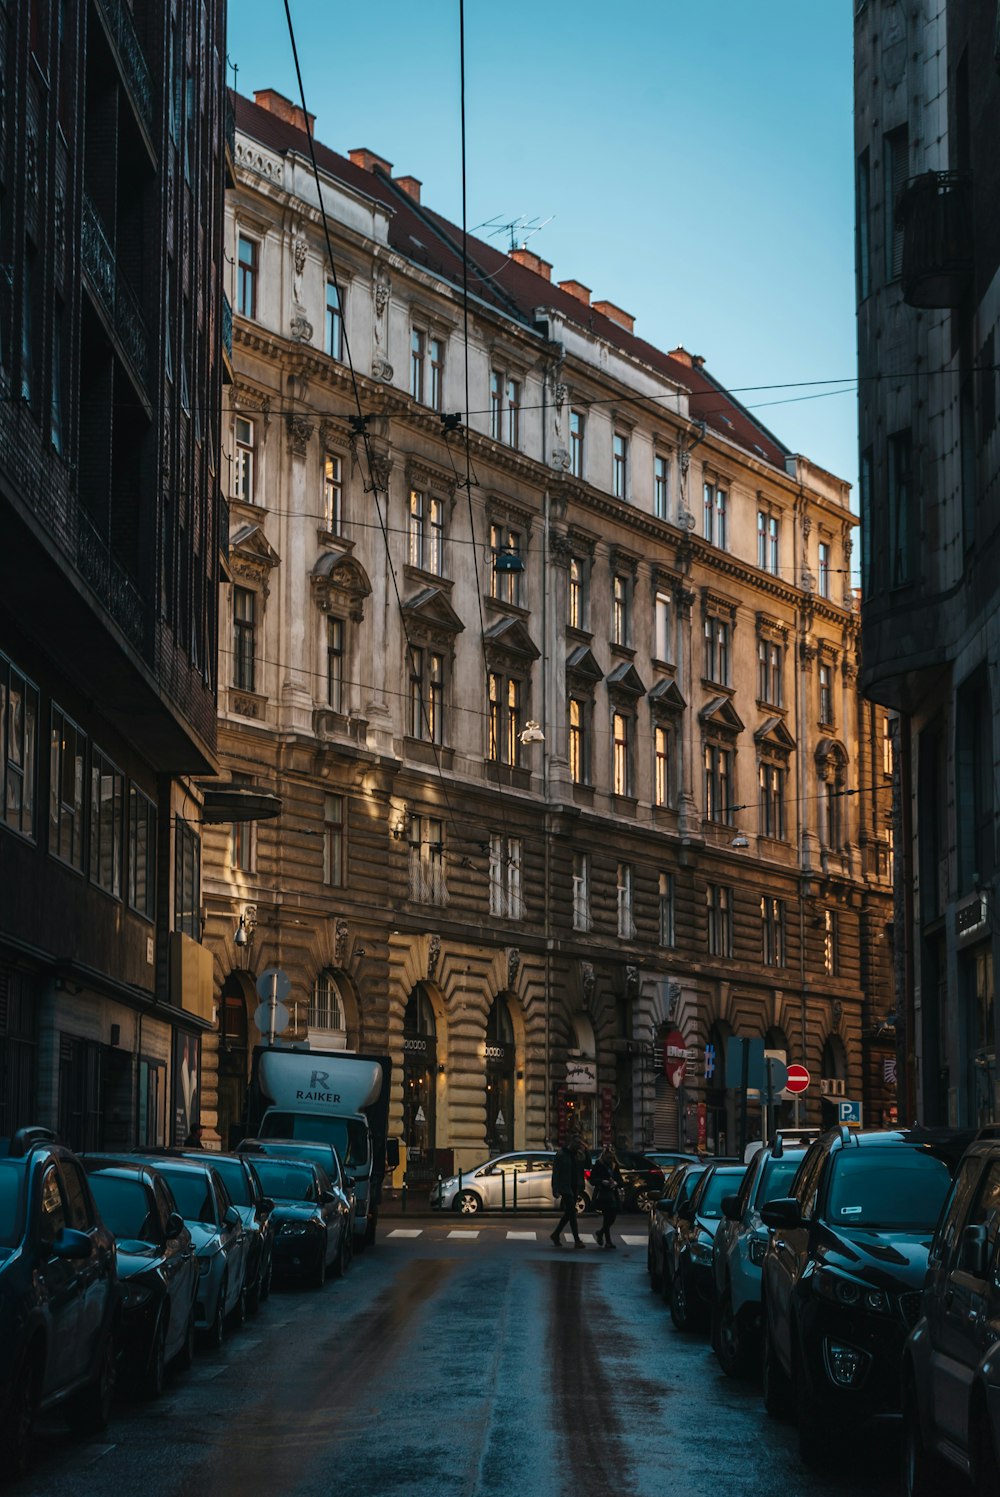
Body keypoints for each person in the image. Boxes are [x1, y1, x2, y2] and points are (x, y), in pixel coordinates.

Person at [550, 1134, 587, 1248]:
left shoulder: (578, 1155)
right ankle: (576, 1240)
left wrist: (585, 1152)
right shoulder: (561, 1154)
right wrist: (555, 1189)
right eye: (577, 1144)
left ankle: (556, 1234)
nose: (578, 1146)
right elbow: (555, 1173)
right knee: (572, 1213)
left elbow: (587, 1165)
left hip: (575, 1187)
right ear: (572, 1143)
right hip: (565, 1188)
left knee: (569, 1213)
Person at [589, 1145, 624, 1250]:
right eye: (608, 1158)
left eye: (611, 1158)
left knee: (612, 1217)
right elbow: (592, 1180)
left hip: (613, 1195)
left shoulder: (614, 1166)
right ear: (604, 1156)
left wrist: (616, 1183)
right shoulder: (598, 1165)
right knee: (606, 1216)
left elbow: (621, 1181)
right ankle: (608, 1241)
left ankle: (600, 1233)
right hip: (602, 1194)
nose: (610, 1160)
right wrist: (602, 1181)